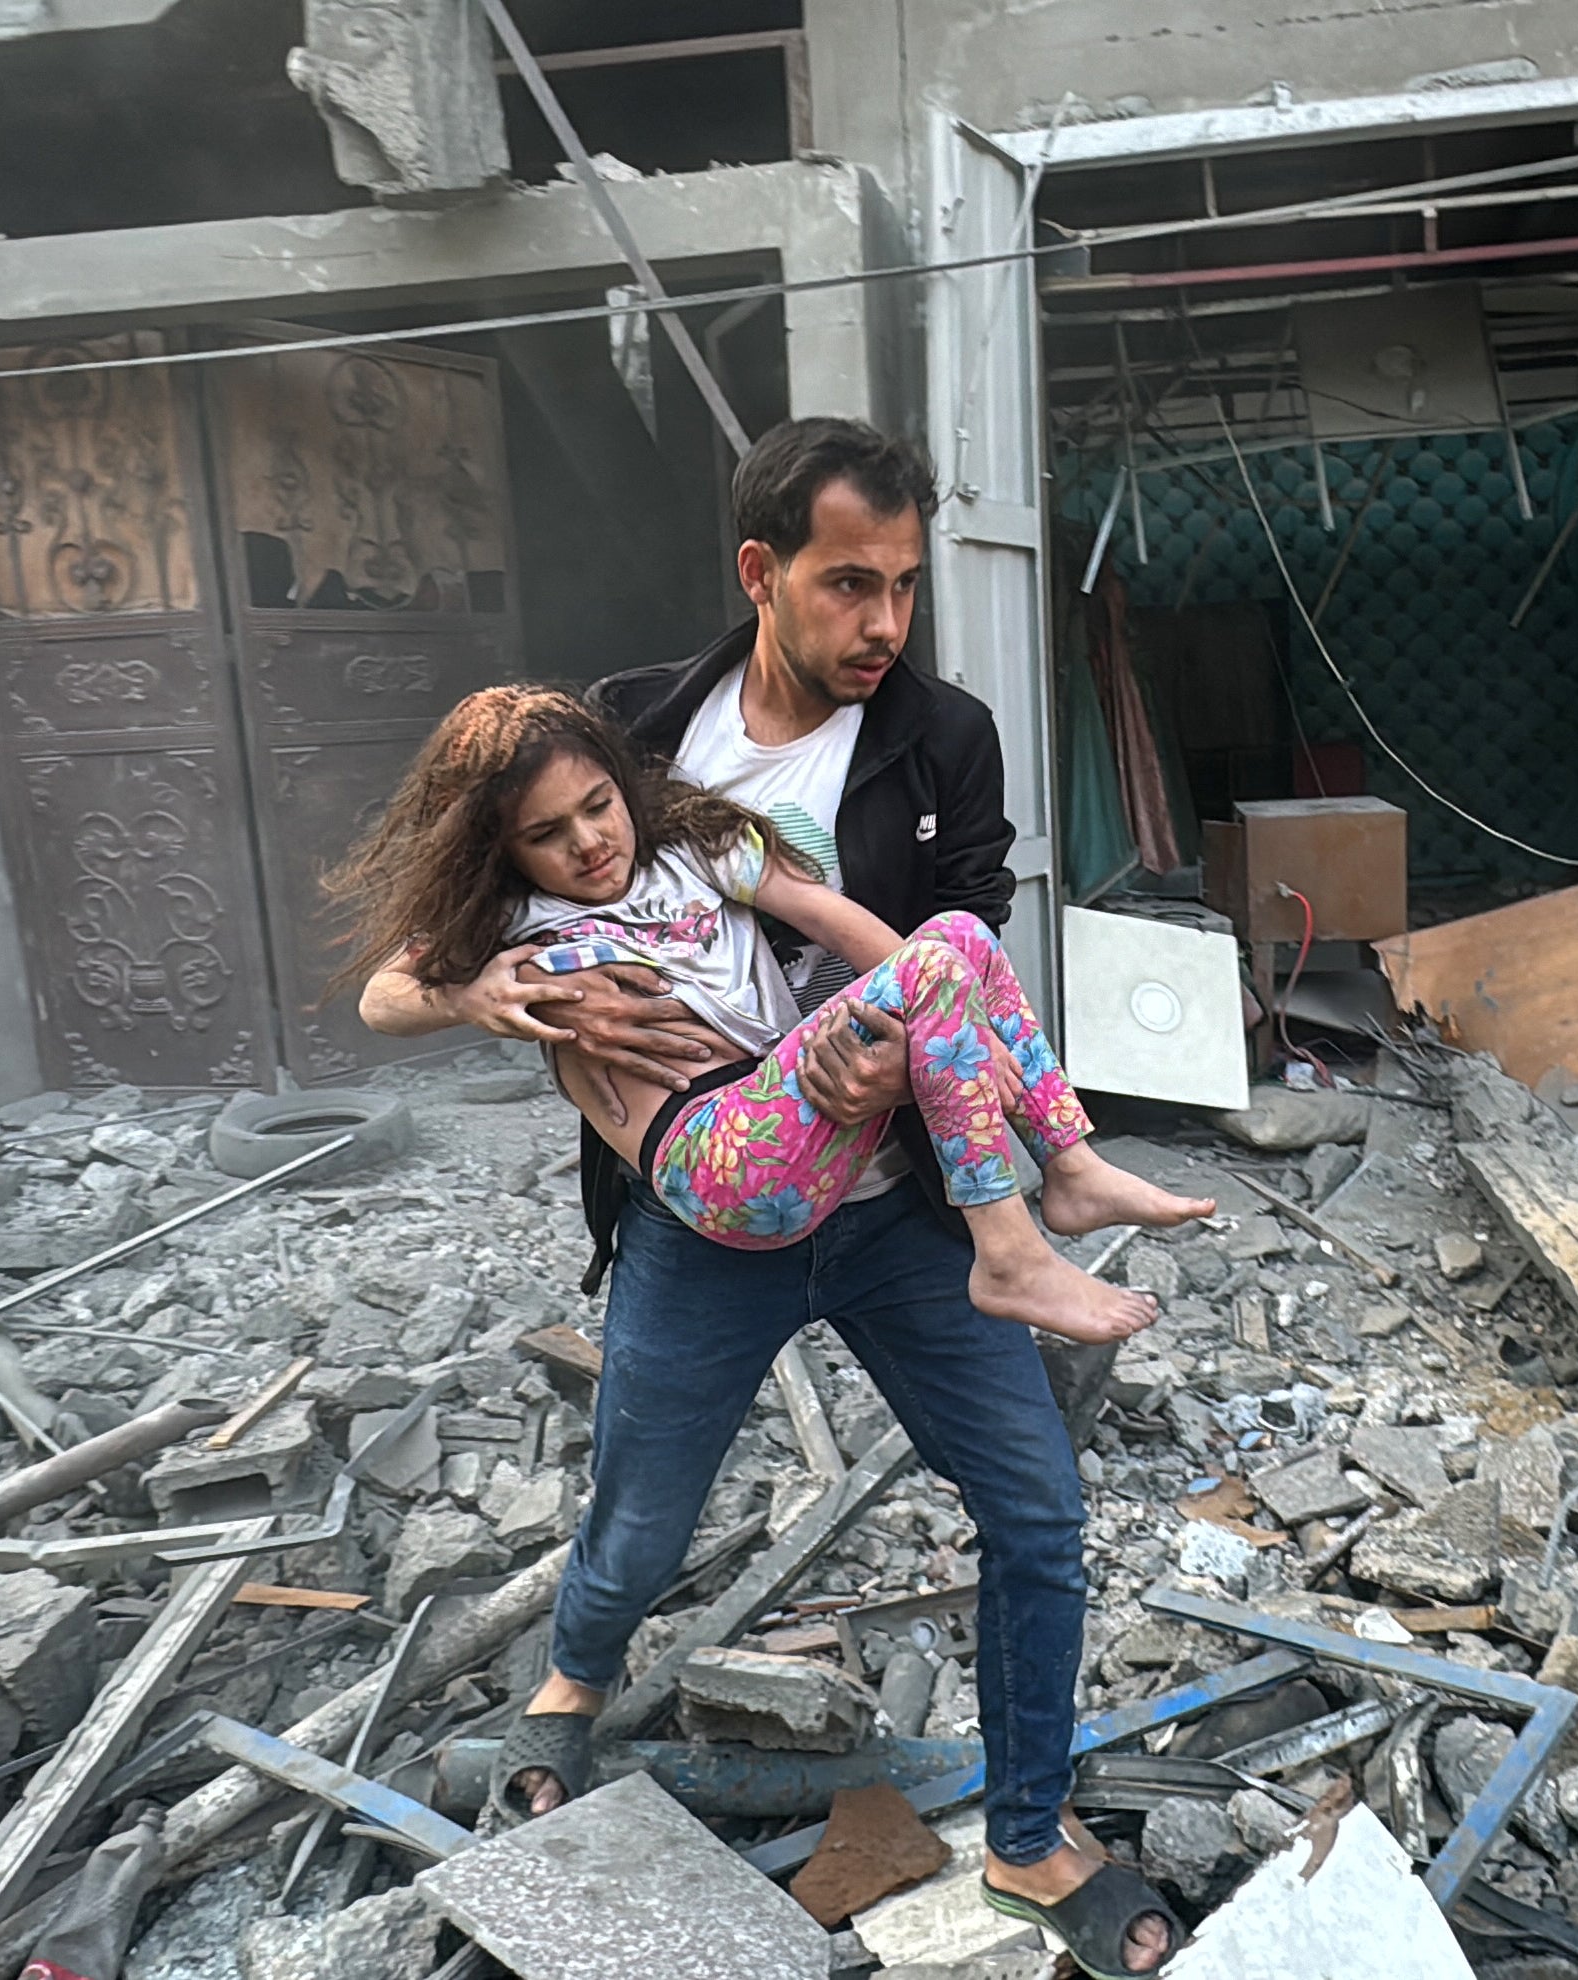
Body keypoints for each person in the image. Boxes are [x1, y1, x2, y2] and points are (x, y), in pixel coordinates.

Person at [339, 420, 1192, 1977]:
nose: (884, 624)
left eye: (906, 588)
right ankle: (573, 1680)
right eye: (849, 583)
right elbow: (432, 958)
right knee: (639, 1527)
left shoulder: (941, 739)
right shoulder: (623, 736)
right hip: (699, 1219)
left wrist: (904, 1051)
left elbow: (936, 933)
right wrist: (516, 1008)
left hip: (893, 1207)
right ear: (761, 572)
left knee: (1035, 1513)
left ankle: (1025, 1831)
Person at [337, 684, 1208, 1333]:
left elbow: (839, 922)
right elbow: (384, 1001)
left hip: (787, 1118)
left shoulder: (696, 848)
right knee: (939, 967)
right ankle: (1010, 1256)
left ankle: (1071, 1165)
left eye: (598, 806)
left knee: (952, 938)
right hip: (715, 1159)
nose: (588, 841)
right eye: (546, 834)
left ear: (621, 784)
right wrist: (469, 993)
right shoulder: (514, 916)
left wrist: (965, 1030)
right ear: (503, 849)